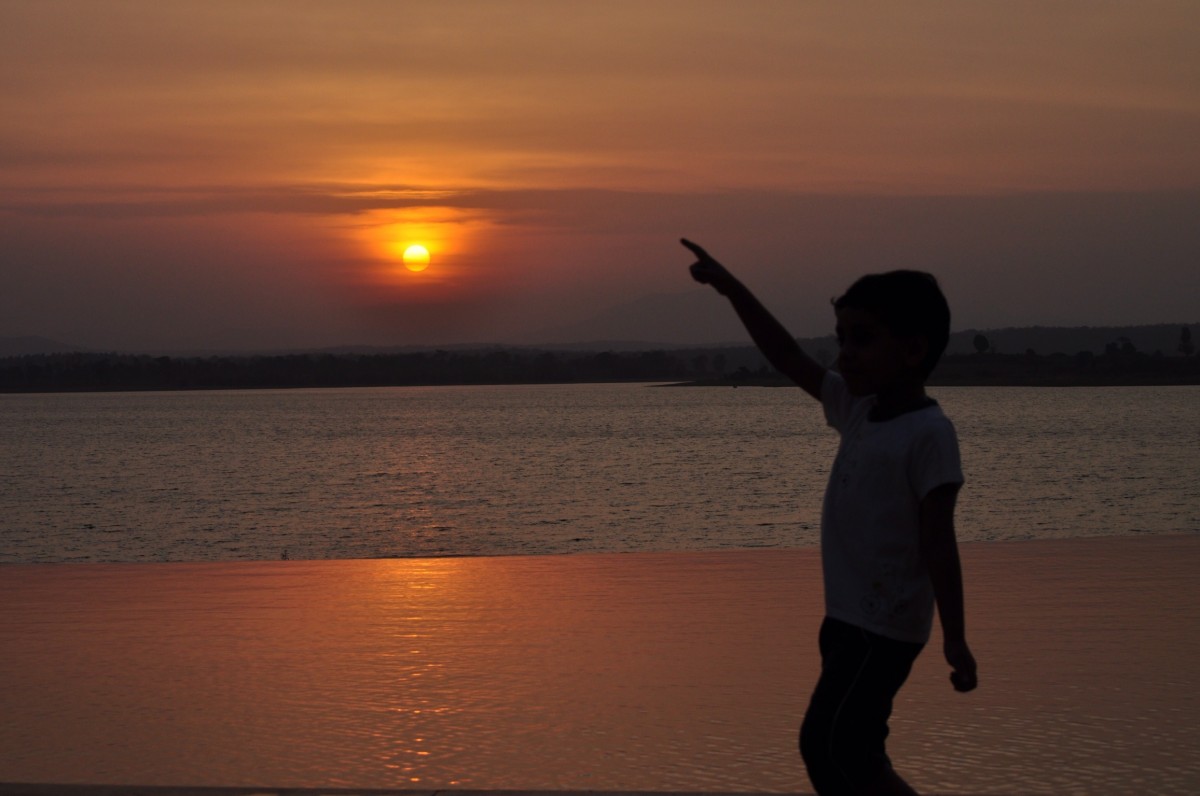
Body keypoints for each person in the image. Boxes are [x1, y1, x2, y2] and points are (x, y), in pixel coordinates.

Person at [682, 239, 977, 796]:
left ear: (913, 351)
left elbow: (940, 542)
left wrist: (956, 639)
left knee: (830, 745)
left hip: (885, 627)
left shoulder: (929, 435)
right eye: (842, 338)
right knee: (850, 750)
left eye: (862, 339)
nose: (845, 352)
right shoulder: (858, 409)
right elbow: (789, 356)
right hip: (844, 619)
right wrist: (731, 288)